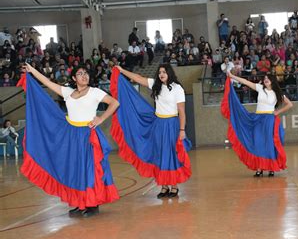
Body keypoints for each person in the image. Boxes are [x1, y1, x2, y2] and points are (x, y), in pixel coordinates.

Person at [19, 63, 120, 217]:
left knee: (89, 169)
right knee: (76, 169)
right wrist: (32, 71)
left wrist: (101, 118)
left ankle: (92, 204)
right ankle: (80, 202)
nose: (84, 76)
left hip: (88, 134)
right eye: (80, 73)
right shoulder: (68, 92)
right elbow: (47, 83)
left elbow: (115, 103)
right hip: (72, 135)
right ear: (74, 78)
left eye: (86, 73)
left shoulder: (94, 92)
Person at [110, 64, 191, 198]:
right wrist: (122, 71)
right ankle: (164, 186)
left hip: (172, 125)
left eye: (164, 72)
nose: (161, 74)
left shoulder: (178, 89)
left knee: (171, 154)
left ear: (169, 73)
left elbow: (181, 111)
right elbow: (137, 78)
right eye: (159, 72)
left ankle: (174, 186)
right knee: (160, 154)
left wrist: (182, 129)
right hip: (158, 124)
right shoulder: (155, 85)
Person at [221, 71, 293, 177]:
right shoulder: (260, 88)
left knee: (269, 144)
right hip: (258, 118)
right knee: (257, 142)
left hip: (269, 120)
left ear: (272, 80)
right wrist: (232, 77)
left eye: (267, 78)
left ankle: (271, 168)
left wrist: (277, 112)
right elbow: (245, 81)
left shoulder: (277, 93)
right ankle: (259, 168)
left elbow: (290, 104)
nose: (265, 79)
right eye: (264, 78)